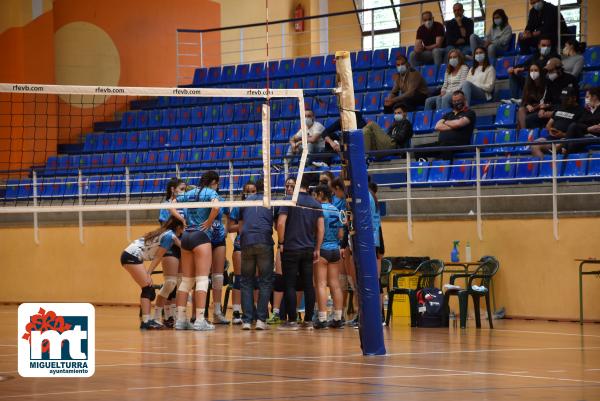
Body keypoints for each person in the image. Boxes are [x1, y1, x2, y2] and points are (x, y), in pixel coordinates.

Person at [173, 170, 221, 331]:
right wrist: (208, 222)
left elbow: (171, 203)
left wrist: (182, 219)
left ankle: (180, 320)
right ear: (214, 182)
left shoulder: (189, 192)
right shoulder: (211, 192)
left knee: (186, 280)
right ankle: (200, 320)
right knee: (202, 280)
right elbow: (216, 207)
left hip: (186, 236)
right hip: (201, 236)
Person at [277, 174, 324, 330]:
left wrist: (281, 242)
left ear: (297, 185)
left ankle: (292, 321)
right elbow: (320, 229)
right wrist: (317, 248)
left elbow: (281, 224)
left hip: (290, 248)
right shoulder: (316, 203)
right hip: (308, 249)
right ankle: (308, 321)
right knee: (308, 285)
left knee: (289, 284)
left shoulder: (289, 200)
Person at [120, 217, 183, 329]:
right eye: (183, 229)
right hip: (132, 256)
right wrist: (148, 273)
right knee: (148, 288)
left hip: (130, 255)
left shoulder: (165, 232)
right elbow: (158, 257)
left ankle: (147, 320)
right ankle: (146, 321)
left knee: (148, 289)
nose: (182, 232)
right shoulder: (169, 236)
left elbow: (181, 246)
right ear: (178, 228)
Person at [238, 179, 274, 330]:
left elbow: (240, 225)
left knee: (246, 281)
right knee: (265, 281)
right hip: (264, 240)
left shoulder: (246, 201)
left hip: (247, 241)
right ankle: (261, 320)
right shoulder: (271, 202)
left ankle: (247, 321)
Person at [153, 178, 186, 328]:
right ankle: (156, 316)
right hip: (171, 245)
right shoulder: (166, 206)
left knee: (179, 284)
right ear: (173, 189)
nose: (183, 192)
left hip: (183, 246)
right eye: (181, 189)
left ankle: (172, 317)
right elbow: (165, 229)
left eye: (185, 189)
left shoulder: (186, 206)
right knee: (170, 283)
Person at [313, 185, 344, 330]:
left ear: (320, 194)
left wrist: (317, 248)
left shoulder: (318, 209)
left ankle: (322, 318)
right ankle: (338, 317)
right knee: (335, 284)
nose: (314, 198)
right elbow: (340, 234)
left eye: (315, 195)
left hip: (323, 249)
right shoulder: (336, 209)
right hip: (335, 250)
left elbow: (319, 230)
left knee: (320, 284)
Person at [227, 181, 258, 325]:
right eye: (248, 191)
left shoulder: (261, 206)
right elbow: (229, 228)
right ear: (243, 193)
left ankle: (256, 310)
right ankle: (236, 312)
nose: (251, 194)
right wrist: (242, 227)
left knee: (256, 279)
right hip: (240, 244)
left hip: (256, 244)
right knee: (239, 279)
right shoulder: (238, 207)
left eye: (253, 191)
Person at [267, 177, 295, 324]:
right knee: (279, 278)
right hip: (282, 245)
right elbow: (276, 225)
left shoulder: (301, 202)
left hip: (298, 246)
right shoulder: (281, 203)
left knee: (297, 280)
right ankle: (276, 312)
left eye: (292, 186)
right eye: (287, 186)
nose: (289, 188)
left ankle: (294, 313)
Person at [531, 85, 583, 157]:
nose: (564, 101)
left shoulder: (580, 111)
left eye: (566, 99)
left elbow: (578, 131)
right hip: (553, 138)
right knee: (534, 145)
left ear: (574, 98)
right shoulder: (559, 108)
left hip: (566, 139)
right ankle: (545, 165)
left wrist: (563, 135)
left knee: (561, 144)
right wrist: (551, 130)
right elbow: (548, 125)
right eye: (563, 99)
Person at [527, 58, 579, 128]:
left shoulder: (570, 79)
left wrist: (554, 113)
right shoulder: (549, 81)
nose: (549, 73)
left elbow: (571, 101)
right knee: (529, 119)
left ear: (559, 69)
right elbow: (546, 98)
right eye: (547, 71)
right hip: (552, 108)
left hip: (565, 110)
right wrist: (542, 109)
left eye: (551, 71)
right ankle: (539, 134)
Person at [507, 37, 558, 103]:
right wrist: (513, 68)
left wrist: (523, 69)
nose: (546, 48)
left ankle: (524, 100)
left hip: (543, 82)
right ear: (539, 46)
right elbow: (525, 64)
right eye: (544, 45)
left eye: (548, 46)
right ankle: (513, 99)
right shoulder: (536, 56)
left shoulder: (554, 56)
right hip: (530, 81)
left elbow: (544, 68)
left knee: (531, 72)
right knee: (512, 73)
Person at [431, 90, 477, 160]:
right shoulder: (448, 114)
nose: (457, 103)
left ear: (464, 100)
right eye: (454, 101)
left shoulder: (469, 113)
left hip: (460, 145)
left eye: (459, 100)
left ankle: (448, 169)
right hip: (441, 143)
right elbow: (437, 126)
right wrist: (453, 125)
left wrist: (446, 122)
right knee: (418, 150)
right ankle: (422, 168)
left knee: (445, 146)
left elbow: (458, 124)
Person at [209, 195, 230, 325]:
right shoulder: (200, 196)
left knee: (218, 276)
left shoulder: (221, 200)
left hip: (219, 239)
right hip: (203, 237)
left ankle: (217, 312)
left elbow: (229, 216)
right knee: (201, 277)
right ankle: (196, 315)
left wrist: (226, 231)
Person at [565, 87, 600, 154]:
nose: (585, 99)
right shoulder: (586, 110)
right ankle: (564, 148)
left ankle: (564, 148)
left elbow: (597, 128)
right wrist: (588, 128)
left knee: (573, 127)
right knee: (573, 127)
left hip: (597, 136)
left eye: (587, 97)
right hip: (585, 135)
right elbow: (579, 123)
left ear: (594, 97)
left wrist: (586, 127)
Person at [518, 63, 548, 129]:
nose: (533, 72)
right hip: (532, 108)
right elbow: (524, 100)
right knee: (521, 110)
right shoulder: (528, 84)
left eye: (536, 70)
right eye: (531, 70)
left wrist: (541, 106)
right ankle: (524, 132)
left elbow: (548, 100)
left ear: (540, 71)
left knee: (529, 117)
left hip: (543, 108)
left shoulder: (546, 83)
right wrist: (527, 105)